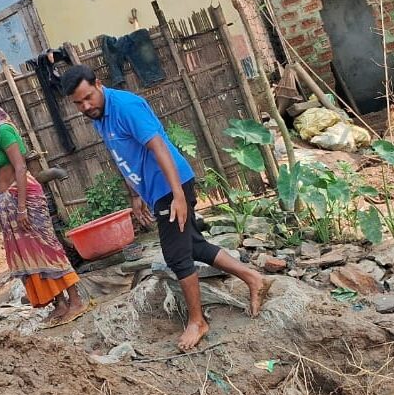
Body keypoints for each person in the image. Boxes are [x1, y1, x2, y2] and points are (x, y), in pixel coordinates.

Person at [61, 65, 269, 351]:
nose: (85, 106)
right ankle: (253, 277)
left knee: (176, 255)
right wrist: (134, 194)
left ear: (98, 83)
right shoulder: (100, 116)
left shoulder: (125, 106)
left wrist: (177, 196)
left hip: (170, 186)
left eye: (88, 97)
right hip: (157, 189)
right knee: (193, 244)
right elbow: (122, 155)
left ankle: (198, 321)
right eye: (78, 103)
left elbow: (159, 147)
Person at [0, 90, 88, 325]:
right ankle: (59, 303)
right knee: (30, 257)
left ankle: (76, 301)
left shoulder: (4, 131)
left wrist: (21, 208)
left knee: (48, 250)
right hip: (8, 202)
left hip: (23, 199)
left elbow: (20, 167)